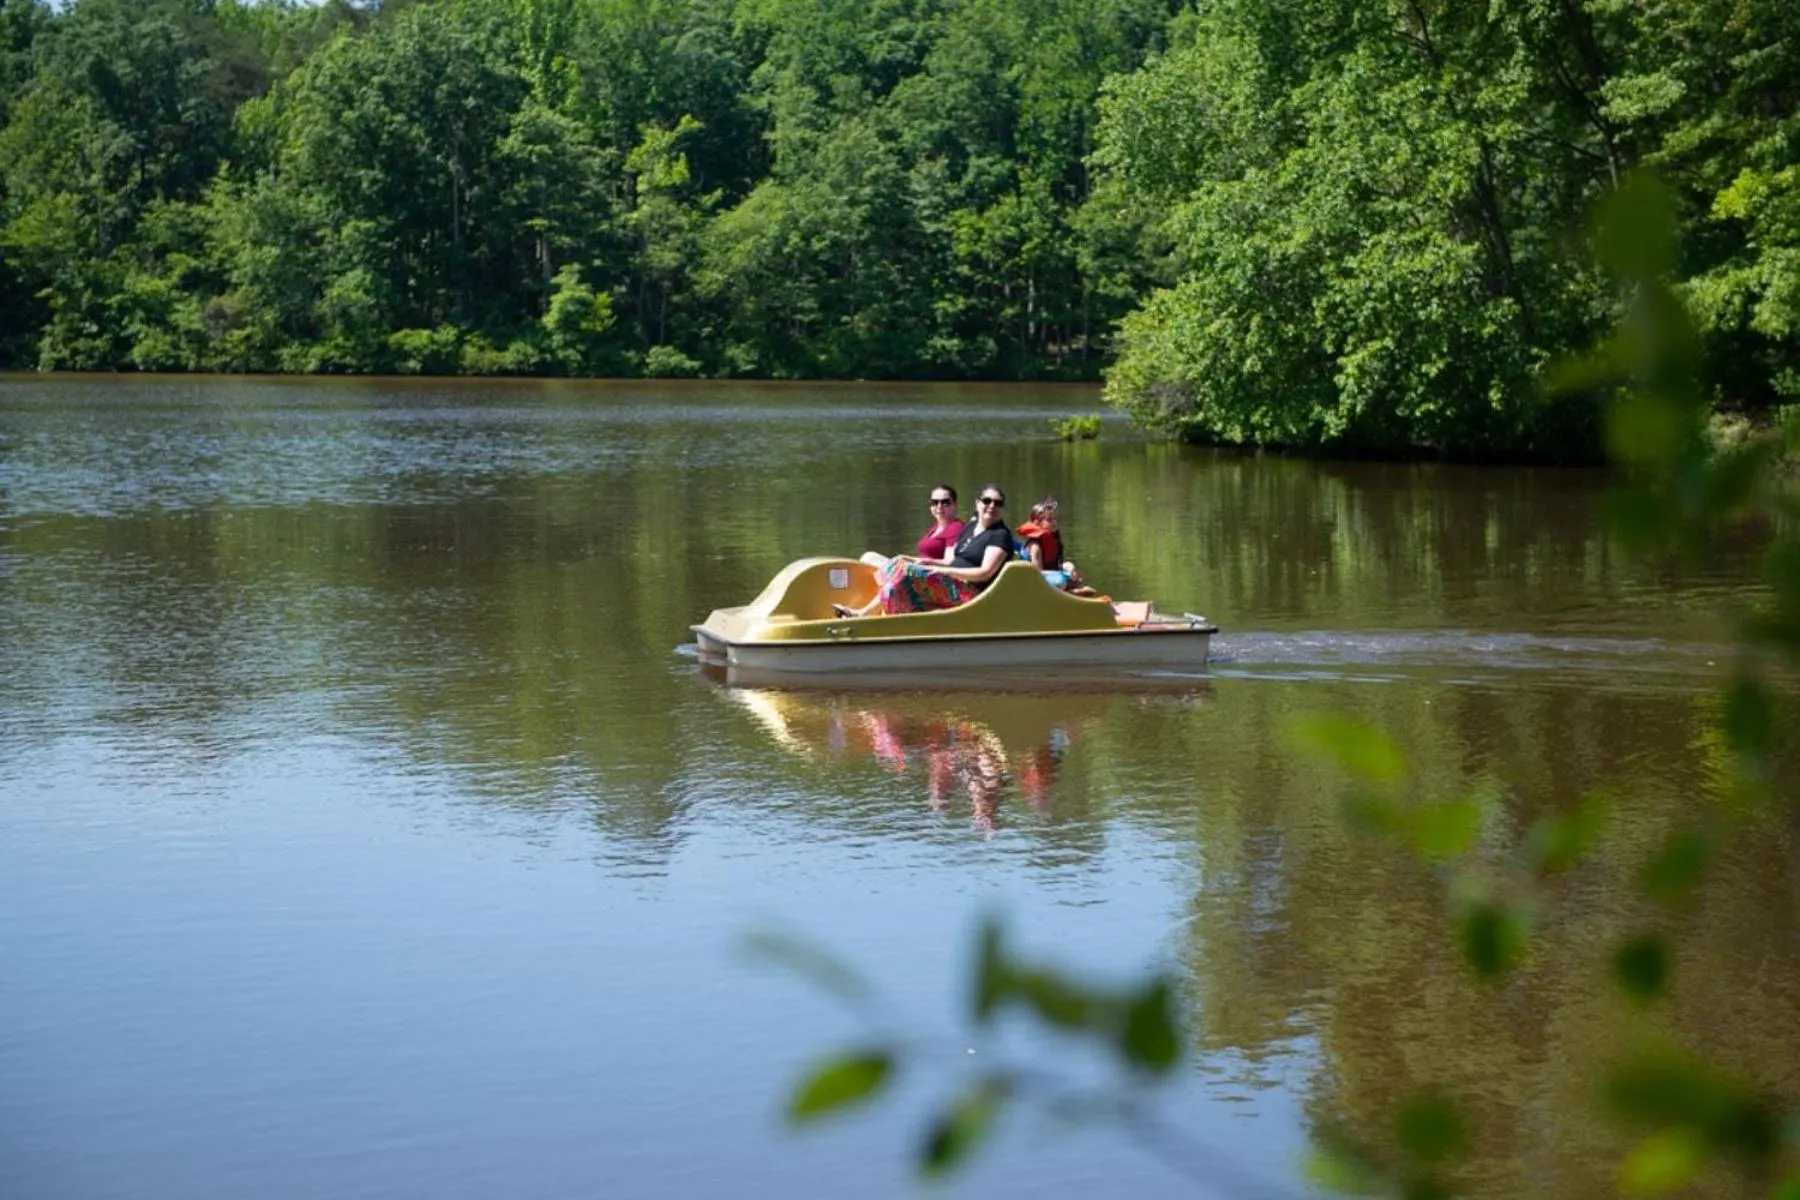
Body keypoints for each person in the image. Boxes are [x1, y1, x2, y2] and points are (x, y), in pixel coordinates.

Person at [839, 485, 1014, 616]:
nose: (992, 506)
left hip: (969, 591)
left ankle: (866, 613)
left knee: (904, 571)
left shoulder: (999, 535)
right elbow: (951, 560)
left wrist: (944, 571)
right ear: (977, 504)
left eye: (998, 503)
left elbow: (984, 573)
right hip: (953, 581)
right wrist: (926, 561)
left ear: (1003, 508)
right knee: (900, 563)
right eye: (987, 501)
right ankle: (873, 612)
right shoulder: (971, 526)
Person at [1015, 496, 1089, 593]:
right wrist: (1063, 576)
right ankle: (1071, 592)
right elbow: (1038, 574)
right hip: (1037, 581)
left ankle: (1070, 589)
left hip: (1049, 575)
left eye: (1054, 519)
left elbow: (1054, 565)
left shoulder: (1054, 539)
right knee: (1061, 580)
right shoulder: (1035, 546)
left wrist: (1069, 568)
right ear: (1037, 523)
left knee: (1074, 573)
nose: (1054, 522)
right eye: (1049, 520)